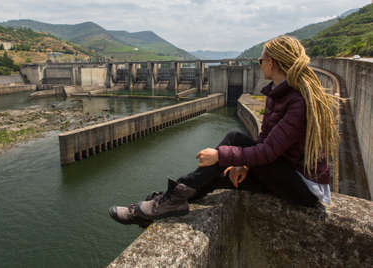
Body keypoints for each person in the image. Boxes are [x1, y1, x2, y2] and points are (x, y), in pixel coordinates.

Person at [109, 35, 339, 227]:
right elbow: (264, 143)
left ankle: (161, 203)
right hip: (284, 173)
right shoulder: (278, 95)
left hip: (303, 189)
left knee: (232, 140)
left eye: (261, 60)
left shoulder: (296, 101)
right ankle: (159, 208)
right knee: (220, 175)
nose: (260, 63)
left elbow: (268, 151)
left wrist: (221, 155)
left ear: (272, 63)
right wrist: (243, 165)